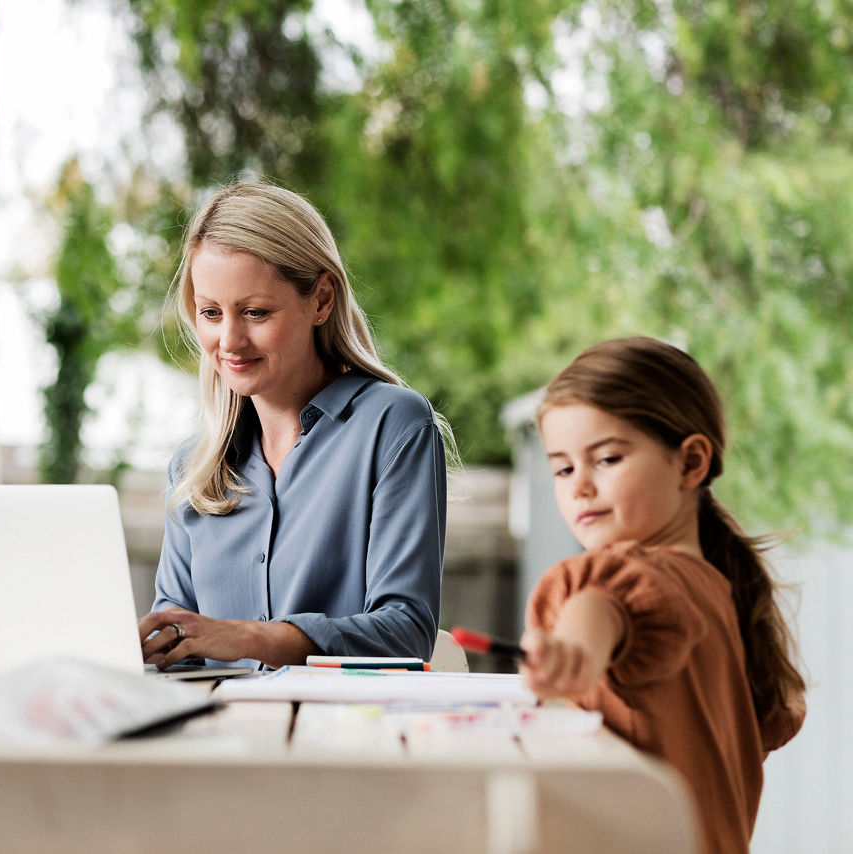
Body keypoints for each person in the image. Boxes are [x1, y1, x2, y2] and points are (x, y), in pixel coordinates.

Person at [137, 181, 455, 670]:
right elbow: (177, 643)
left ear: (322, 300)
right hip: (216, 740)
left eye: (256, 312)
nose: (229, 340)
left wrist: (247, 638)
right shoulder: (192, 468)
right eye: (211, 313)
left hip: (339, 738)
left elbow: (406, 630)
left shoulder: (393, 428)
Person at [521, 336, 806, 854]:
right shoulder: (718, 589)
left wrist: (574, 654)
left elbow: (602, 604)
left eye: (606, 458)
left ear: (690, 463)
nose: (579, 485)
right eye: (563, 468)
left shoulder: (633, 579)